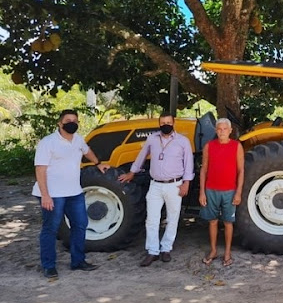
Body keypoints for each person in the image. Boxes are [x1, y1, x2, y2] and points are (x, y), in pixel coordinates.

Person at [33, 109, 110, 279]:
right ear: (60, 123)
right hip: (53, 194)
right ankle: (49, 266)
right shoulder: (48, 142)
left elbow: (87, 150)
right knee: (50, 229)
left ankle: (78, 261)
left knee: (80, 225)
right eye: (68, 120)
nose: (72, 123)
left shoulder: (78, 140)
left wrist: (98, 163)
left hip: (74, 192)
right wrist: (45, 195)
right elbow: (40, 169)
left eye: (75, 120)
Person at [118, 111, 194, 267]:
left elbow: (189, 163)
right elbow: (142, 155)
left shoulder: (183, 141)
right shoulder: (152, 139)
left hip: (175, 185)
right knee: (151, 220)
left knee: (172, 219)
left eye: (168, 122)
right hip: (155, 185)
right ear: (159, 123)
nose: (165, 125)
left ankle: (166, 249)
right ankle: (152, 251)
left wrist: (186, 183)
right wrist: (132, 172)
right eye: (163, 122)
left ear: (174, 123)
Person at [199, 118, 244, 267]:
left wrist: (238, 192)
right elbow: (204, 169)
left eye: (225, 129)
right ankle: (213, 251)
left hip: (229, 191)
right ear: (215, 130)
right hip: (211, 189)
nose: (222, 131)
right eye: (219, 129)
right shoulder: (209, 146)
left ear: (230, 131)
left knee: (228, 222)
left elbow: (241, 170)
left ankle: (227, 252)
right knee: (212, 221)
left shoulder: (236, 146)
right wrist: (202, 192)